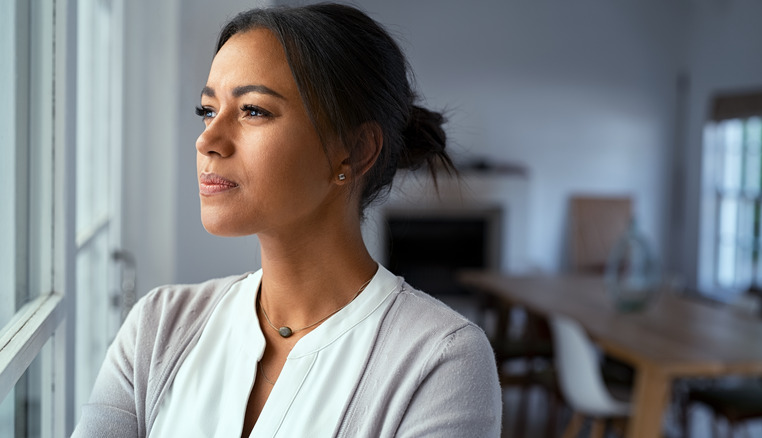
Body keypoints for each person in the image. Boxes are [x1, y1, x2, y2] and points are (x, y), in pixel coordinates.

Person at [73, 3, 501, 437]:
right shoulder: (159, 326)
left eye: (253, 110)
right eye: (207, 110)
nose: (207, 140)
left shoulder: (441, 361)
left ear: (353, 151)